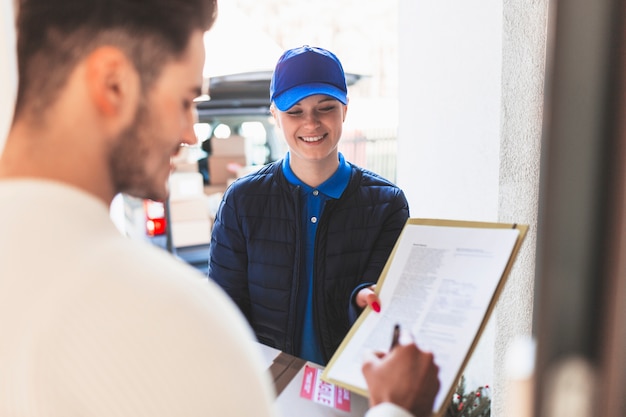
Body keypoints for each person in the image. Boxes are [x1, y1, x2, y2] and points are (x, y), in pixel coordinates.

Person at [0, 1, 439, 416]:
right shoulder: (151, 311)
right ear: (113, 85)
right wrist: (396, 407)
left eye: (325, 108)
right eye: (185, 99)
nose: (192, 133)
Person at [208, 45, 410, 365]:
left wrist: (364, 302)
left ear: (344, 110)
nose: (311, 123)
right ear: (275, 115)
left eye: (325, 107)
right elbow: (224, 314)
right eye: (295, 112)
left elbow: (383, 309)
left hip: (350, 391)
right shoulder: (241, 202)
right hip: (269, 392)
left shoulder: (387, 205)